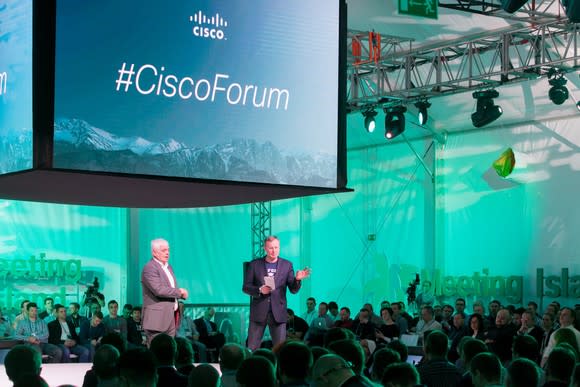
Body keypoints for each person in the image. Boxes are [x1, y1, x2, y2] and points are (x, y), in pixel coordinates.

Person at [242, 235, 311, 350]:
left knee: (280, 349)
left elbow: (293, 290)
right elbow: (246, 287)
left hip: (278, 313)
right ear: (265, 248)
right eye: (270, 248)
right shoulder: (254, 264)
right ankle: (252, 367)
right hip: (259, 312)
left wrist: (297, 279)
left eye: (276, 247)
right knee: (252, 348)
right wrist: (259, 290)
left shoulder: (287, 265)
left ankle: (280, 368)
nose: (274, 251)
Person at [141, 238, 189, 345]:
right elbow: (158, 289)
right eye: (163, 250)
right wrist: (179, 293)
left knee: (168, 352)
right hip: (157, 320)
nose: (167, 253)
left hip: (170, 317)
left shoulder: (168, 267)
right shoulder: (150, 268)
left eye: (168, 250)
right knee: (156, 352)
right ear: (154, 252)